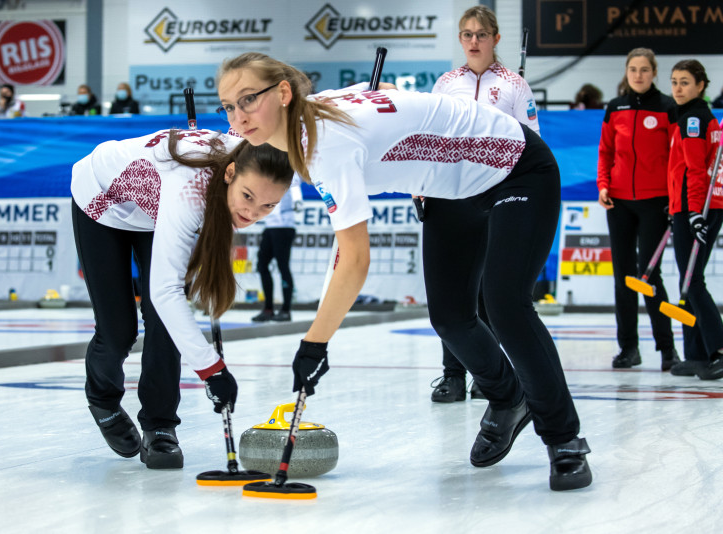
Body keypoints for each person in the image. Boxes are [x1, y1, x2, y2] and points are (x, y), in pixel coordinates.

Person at [216, 52, 592, 491]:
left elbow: (355, 260)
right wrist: (421, 162)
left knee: (505, 303)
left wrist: (314, 344)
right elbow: (388, 92)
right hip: (451, 190)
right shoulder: (318, 107)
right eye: (228, 105)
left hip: (515, 168)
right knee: (450, 318)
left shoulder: (323, 144)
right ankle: (509, 399)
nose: (237, 117)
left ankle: (564, 439)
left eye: (247, 100)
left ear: (282, 94)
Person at [71, 127, 293, 469]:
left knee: (164, 327)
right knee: (118, 330)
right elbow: (163, 291)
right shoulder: (190, 190)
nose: (251, 214)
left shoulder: (253, 156)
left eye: (268, 206)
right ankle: (103, 400)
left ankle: (160, 426)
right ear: (230, 173)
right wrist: (212, 371)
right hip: (102, 202)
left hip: (156, 211)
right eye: (247, 197)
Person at [427, 5, 541, 403]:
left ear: (495, 38)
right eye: (466, 34)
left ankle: (489, 373)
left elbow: (530, 145)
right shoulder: (446, 83)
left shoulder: (514, 85)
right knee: (453, 293)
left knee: (489, 292)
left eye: (481, 34)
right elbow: (431, 140)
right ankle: (452, 376)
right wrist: (422, 185)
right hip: (452, 195)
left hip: (497, 196)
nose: (473, 41)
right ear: (460, 39)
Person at [597, 47, 680, 371]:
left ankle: (667, 349)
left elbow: (676, 159)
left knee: (649, 276)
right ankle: (629, 348)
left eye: (645, 69)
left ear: (654, 73)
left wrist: (674, 197)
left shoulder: (667, 107)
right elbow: (605, 151)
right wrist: (603, 185)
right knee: (623, 277)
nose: (639, 75)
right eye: (633, 69)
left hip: (655, 201)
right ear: (626, 72)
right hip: (618, 201)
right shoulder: (615, 107)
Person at [665, 59, 723, 381]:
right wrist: (674, 204)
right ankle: (697, 355)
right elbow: (681, 171)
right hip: (688, 205)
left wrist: (694, 212)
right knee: (688, 282)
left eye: (685, 82)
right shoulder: (689, 117)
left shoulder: (694, 120)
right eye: (674, 81)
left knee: (692, 281)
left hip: (699, 206)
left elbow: (696, 170)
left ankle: (718, 350)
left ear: (700, 85)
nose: (677, 88)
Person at [252, 176, 302, 322]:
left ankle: (286, 310)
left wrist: (298, 200)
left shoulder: (288, 169)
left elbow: (295, 184)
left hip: (284, 226)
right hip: (270, 226)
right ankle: (268, 309)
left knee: (283, 266)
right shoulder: (266, 170)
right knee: (262, 266)